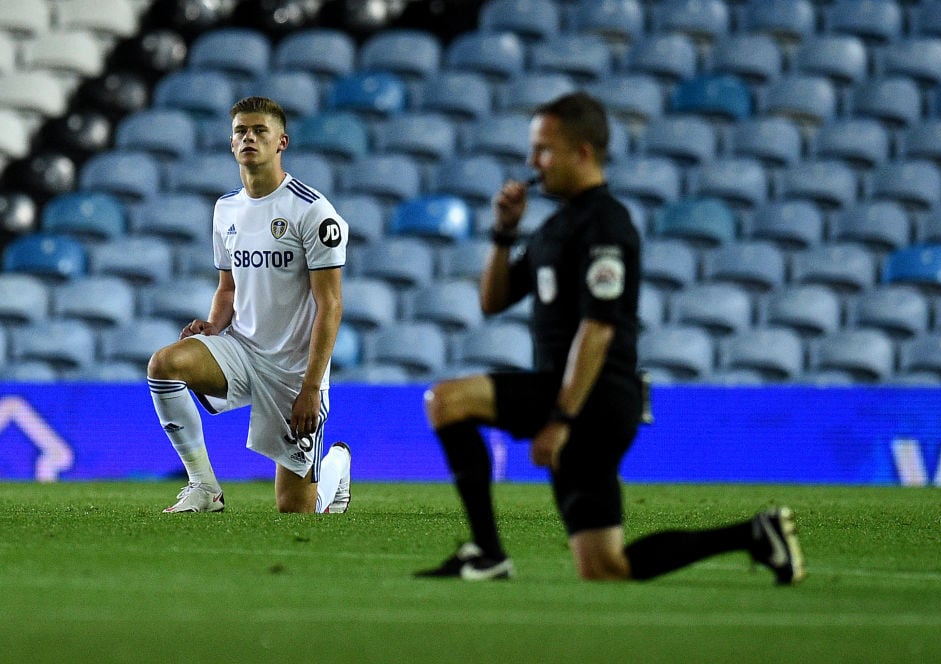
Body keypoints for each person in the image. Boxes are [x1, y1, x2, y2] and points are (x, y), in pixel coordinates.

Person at [416, 92, 805, 583]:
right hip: (575, 394)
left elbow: (598, 328)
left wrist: (561, 418)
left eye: (544, 150)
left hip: (593, 398)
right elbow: (493, 301)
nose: (534, 163)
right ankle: (754, 535)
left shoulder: (606, 225)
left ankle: (487, 553)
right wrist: (503, 233)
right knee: (605, 568)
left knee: (447, 401)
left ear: (582, 152)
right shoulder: (557, 227)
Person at [147, 96, 352, 514]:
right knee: (164, 365)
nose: (249, 138)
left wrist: (311, 386)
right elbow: (228, 288)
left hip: (293, 370)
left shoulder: (313, 211)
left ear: (282, 142)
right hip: (241, 350)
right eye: (241, 131)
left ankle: (336, 468)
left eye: (260, 131)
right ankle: (204, 487)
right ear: (231, 142)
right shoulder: (226, 209)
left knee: (294, 511)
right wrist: (213, 326)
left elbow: (330, 305)